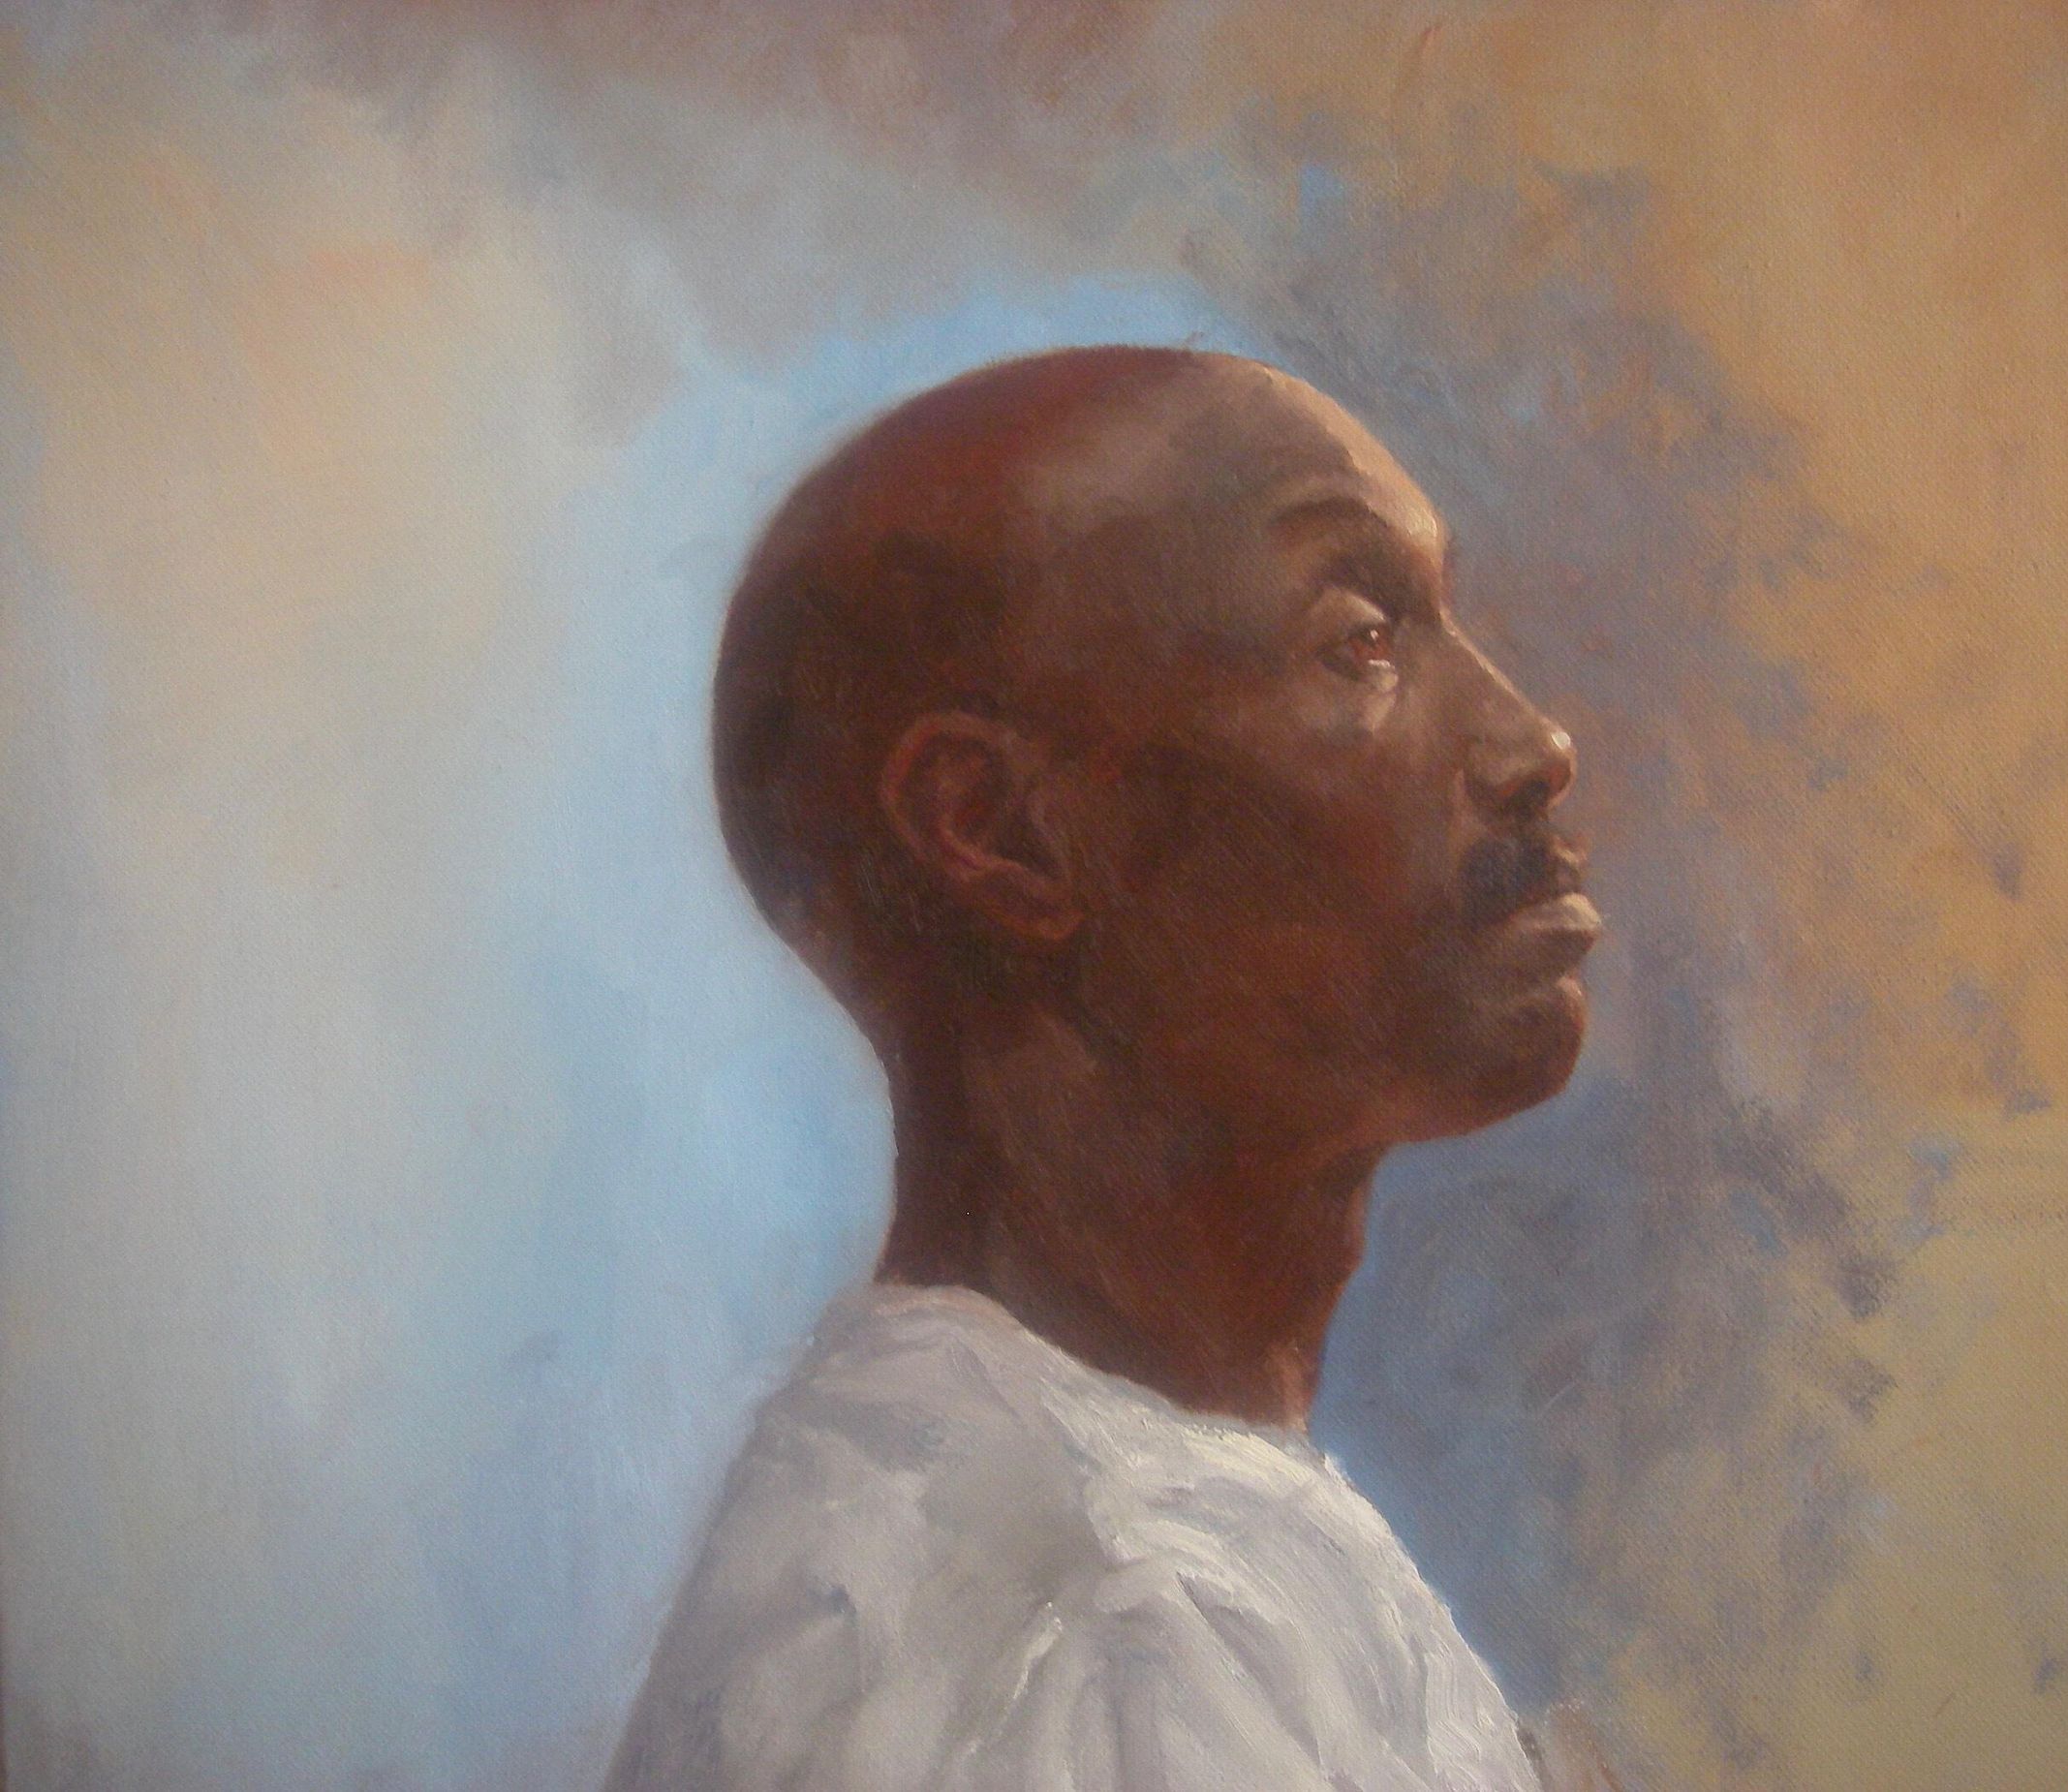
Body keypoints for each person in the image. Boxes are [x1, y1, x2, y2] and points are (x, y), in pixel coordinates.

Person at [605, 347, 1616, 1791]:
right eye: (1358, 643)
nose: (1533, 744)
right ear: (1003, 832)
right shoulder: (1085, 1640)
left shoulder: (1155, 1531)